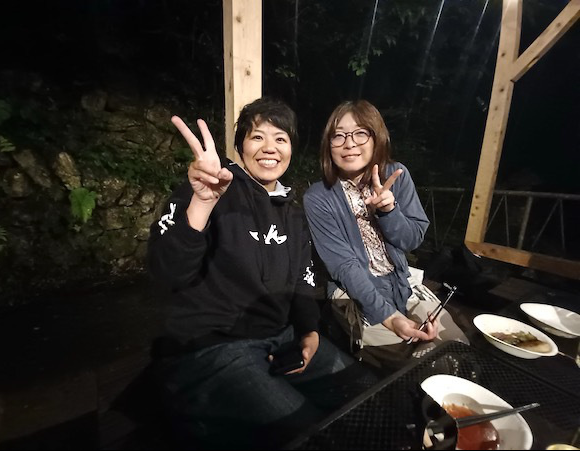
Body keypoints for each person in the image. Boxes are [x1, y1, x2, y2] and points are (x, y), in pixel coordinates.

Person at [147, 97, 357, 449]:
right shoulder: (210, 189)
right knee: (311, 435)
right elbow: (167, 272)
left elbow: (303, 279)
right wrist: (201, 203)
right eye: (257, 137)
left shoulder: (292, 213)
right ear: (241, 146)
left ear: (291, 149)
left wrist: (309, 332)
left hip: (279, 339)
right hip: (211, 348)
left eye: (281, 138)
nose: (269, 148)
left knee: (363, 390)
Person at [303, 100, 467, 365]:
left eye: (360, 133)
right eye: (339, 135)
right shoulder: (319, 197)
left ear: (376, 137)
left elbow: (412, 240)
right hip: (355, 292)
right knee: (416, 365)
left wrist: (389, 211)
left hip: (403, 284)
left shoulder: (396, 175)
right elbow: (344, 266)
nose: (349, 143)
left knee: (456, 348)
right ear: (328, 144)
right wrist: (390, 318)